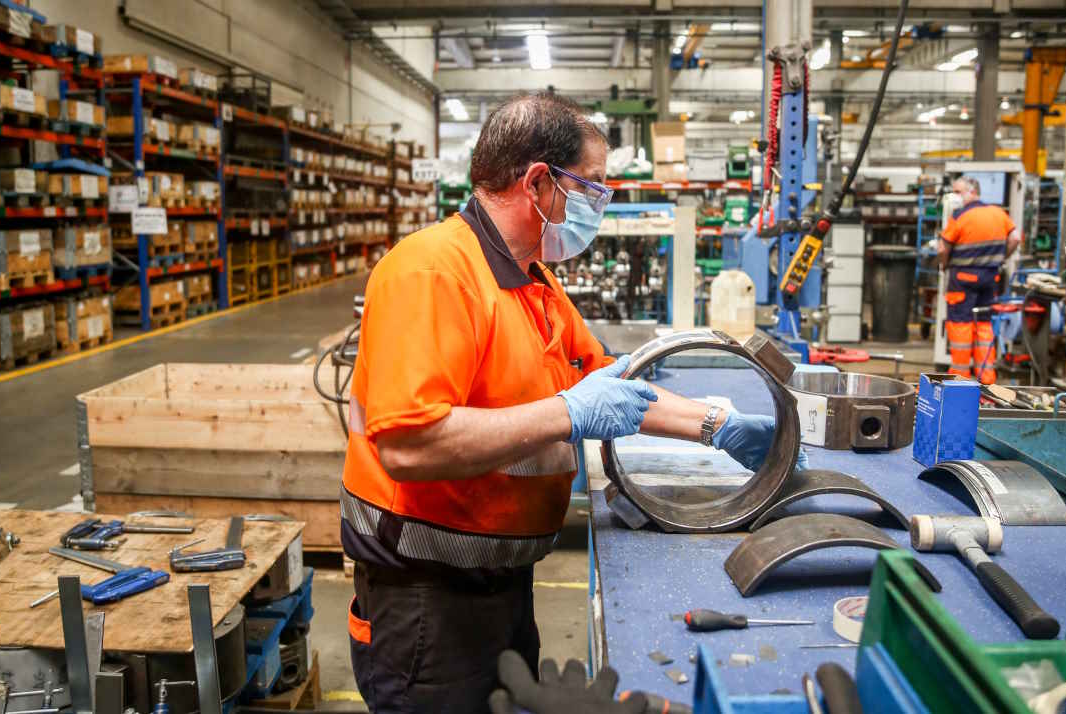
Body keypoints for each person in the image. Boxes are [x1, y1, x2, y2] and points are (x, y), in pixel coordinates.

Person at [341, 93, 796, 713]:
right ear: (537, 182)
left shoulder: (532, 280)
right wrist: (567, 413)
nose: (600, 204)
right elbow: (407, 444)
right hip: (427, 600)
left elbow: (611, 381)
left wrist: (717, 426)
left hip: (500, 577)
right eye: (594, 186)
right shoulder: (432, 272)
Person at [937, 176, 1021, 384]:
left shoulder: (960, 216)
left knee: (961, 326)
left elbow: (942, 247)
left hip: (962, 280)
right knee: (984, 325)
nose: (954, 196)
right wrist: (1002, 258)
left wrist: (944, 264)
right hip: (989, 279)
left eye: (957, 192)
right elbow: (1016, 238)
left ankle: (960, 379)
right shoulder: (999, 213)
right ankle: (987, 378)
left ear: (971, 192)